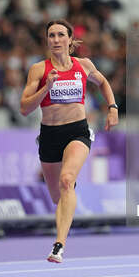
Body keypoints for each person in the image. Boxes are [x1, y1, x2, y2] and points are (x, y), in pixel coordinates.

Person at [19, 19, 118, 263]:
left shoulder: (83, 65)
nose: (55, 40)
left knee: (66, 180)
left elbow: (103, 82)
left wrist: (113, 107)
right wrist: (46, 88)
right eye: (51, 35)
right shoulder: (39, 70)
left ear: (70, 40)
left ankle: (58, 245)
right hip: (49, 135)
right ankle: (68, 193)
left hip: (77, 132)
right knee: (57, 196)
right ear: (47, 40)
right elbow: (24, 108)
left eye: (60, 35)